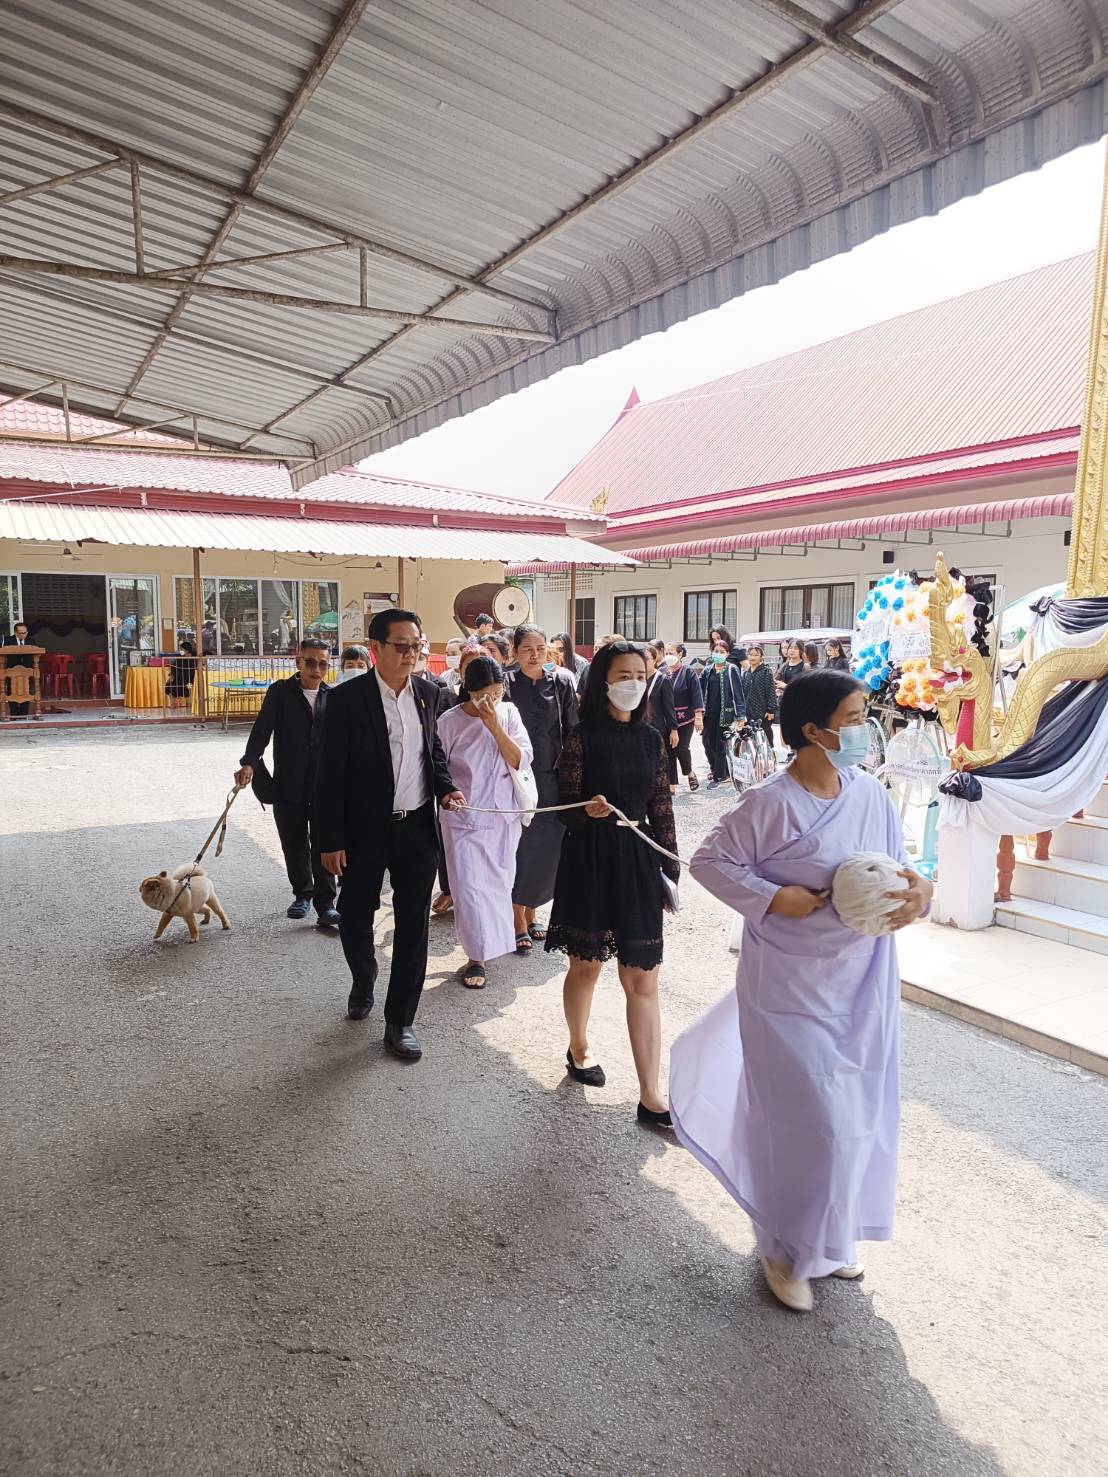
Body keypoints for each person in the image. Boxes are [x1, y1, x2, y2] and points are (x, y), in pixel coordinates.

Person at [669, 670, 933, 1312]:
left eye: (864, 713)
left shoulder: (871, 794)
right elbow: (708, 862)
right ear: (812, 731)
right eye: (852, 716)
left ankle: (829, 1236)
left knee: (857, 1117)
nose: (864, 726)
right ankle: (784, 1245)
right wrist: (771, 897)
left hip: (863, 979)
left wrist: (920, 894)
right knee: (808, 1121)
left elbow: (903, 868)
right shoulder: (770, 803)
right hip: (787, 988)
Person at [315, 609, 466, 1062]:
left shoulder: (428, 693)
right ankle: (364, 978)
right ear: (375, 648)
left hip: (416, 827)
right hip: (363, 832)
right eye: (401, 646)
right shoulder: (345, 700)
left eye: (417, 645)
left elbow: (431, 751)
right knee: (355, 916)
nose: (411, 654)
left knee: (413, 924)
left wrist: (446, 787)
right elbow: (328, 776)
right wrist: (329, 840)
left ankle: (400, 1019)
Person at [546, 640, 679, 1127]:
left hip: (639, 859)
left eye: (641, 675)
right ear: (602, 679)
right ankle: (578, 1047)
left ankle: (650, 1094)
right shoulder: (581, 735)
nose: (633, 684)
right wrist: (587, 809)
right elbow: (566, 801)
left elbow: (661, 804)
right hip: (590, 858)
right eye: (623, 675)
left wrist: (670, 866)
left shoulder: (651, 738)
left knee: (642, 976)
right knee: (585, 967)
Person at [437, 656, 533, 989]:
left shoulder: (509, 714)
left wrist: (494, 725)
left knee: (498, 884)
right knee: (468, 887)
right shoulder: (449, 722)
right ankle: (476, 956)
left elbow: (521, 759)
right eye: (483, 695)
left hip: (502, 815)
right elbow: (439, 769)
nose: (490, 701)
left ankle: (497, 941)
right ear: (468, 691)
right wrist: (448, 793)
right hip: (463, 817)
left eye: (496, 693)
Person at [235, 638, 339, 928]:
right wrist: (249, 763)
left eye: (322, 664)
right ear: (298, 661)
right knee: (293, 842)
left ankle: (326, 902)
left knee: (323, 843)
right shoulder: (281, 692)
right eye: (310, 662)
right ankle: (302, 895)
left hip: (323, 787)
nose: (316, 669)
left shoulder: (334, 696)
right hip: (288, 784)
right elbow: (261, 731)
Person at [505, 624, 578, 953]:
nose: (535, 655)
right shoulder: (506, 682)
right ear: (515, 652)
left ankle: (532, 911)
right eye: (527, 650)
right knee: (520, 847)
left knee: (548, 851)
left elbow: (573, 729)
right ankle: (516, 917)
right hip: (516, 778)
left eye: (540, 648)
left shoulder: (560, 680)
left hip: (551, 777)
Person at [432, 640, 495, 914]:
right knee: (456, 859)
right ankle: (450, 890)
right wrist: (445, 788)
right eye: (471, 668)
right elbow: (436, 754)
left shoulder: (504, 712)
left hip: (494, 805)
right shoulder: (448, 710)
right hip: (456, 800)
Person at [701, 643, 747, 789]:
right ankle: (721, 769)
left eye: (722, 652)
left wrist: (740, 715)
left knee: (720, 743)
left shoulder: (731, 669)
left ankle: (719, 775)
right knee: (707, 742)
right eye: (716, 651)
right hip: (708, 714)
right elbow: (700, 691)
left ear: (727, 654)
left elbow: (738, 693)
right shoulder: (707, 670)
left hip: (725, 713)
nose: (718, 654)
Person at [665, 642, 704, 792]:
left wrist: (698, 715)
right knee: (669, 750)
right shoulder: (663, 671)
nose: (669, 656)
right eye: (666, 653)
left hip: (685, 718)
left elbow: (696, 694)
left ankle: (689, 772)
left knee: (681, 748)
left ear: (680, 654)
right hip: (668, 718)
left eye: (672, 653)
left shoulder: (688, 672)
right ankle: (671, 784)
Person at [644, 640, 679, 792]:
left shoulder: (663, 680)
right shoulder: (637, 679)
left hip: (658, 726)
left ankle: (666, 785)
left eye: (647, 659)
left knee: (662, 757)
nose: (644, 662)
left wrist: (673, 729)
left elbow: (669, 707)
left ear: (654, 660)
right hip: (640, 726)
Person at [741, 644, 777, 745]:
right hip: (748, 712)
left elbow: (771, 691)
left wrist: (771, 709)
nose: (752, 657)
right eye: (750, 654)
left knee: (765, 738)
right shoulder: (746, 673)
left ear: (761, 657)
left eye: (756, 655)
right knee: (750, 740)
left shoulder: (766, 671)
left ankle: (770, 757)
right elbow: (743, 694)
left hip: (763, 712)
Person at [3, 620, 35, 716]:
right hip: (12, 669)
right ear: (16, 632)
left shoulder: (31, 640)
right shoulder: (8, 640)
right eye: (20, 633)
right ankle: (14, 712)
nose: (23, 635)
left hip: (27, 669)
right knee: (11, 690)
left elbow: (36, 652)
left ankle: (23, 712)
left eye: (25, 633)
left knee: (27, 689)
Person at [165, 637, 197, 708]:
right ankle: (174, 703)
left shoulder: (194, 658)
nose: (180, 650)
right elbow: (174, 667)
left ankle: (189, 705)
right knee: (169, 685)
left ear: (187, 649)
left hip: (190, 679)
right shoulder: (180, 657)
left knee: (186, 688)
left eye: (182, 649)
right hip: (178, 677)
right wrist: (172, 676)